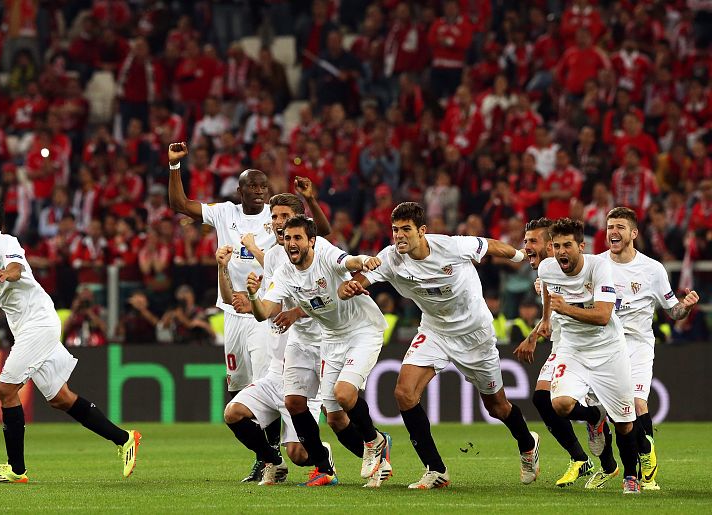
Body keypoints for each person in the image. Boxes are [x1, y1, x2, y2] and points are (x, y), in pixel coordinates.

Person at [0, 195, 140, 483]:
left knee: (5, 389)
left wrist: (6, 274)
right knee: (61, 398)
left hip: (38, 323)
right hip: (27, 326)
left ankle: (16, 469)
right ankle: (124, 438)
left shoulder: (6, 243)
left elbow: (16, 268)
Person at [339, 202, 539, 489]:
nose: (399, 236)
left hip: (475, 334)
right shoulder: (391, 258)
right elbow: (359, 280)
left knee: (497, 406)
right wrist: (350, 287)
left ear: (422, 231)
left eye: (406, 230)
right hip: (434, 331)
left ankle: (527, 442)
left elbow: (493, 246)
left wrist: (521, 255)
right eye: (395, 230)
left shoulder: (452, 246)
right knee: (404, 393)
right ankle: (436, 469)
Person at [167, 141, 331, 482]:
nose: (259, 191)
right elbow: (180, 204)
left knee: (262, 385)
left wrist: (309, 202)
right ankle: (267, 455)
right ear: (239, 190)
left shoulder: (279, 221)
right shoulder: (225, 213)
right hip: (231, 311)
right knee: (236, 388)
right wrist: (174, 167)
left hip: (265, 312)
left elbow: (321, 234)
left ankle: (274, 461)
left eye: (263, 186)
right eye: (252, 186)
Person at [247, 215, 392, 487]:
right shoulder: (284, 273)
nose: (291, 243)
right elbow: (264, 312)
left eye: (298, 237)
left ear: (311, 241)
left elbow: (347, 261)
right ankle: (331, 469)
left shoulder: (324, 252)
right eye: (288, 238)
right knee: (335, 417)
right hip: (332, 338)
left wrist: (363, 261)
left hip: (362, 330)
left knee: (344, 393)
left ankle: (376, 442)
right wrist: (254, 296)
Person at [535, 217, 641, 494]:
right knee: (559, 404)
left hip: (608, 351)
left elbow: (604, 316)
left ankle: (631, 476)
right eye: (556, 246)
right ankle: (594, 416)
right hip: (572, 348)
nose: (561, 252)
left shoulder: (599, 267)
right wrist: (546, 319)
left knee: (625, 421)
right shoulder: (547, 267)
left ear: (581, 246)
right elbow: (548, 289)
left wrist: (564, 308)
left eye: (567, 245)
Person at [602, 206, 700, 490]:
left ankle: (644, 458)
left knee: (636, 403)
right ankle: (641, 448)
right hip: (605, 346)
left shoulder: (652, 269)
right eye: (610, 227)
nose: (613, 232)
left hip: (637, 344)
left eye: (620, 227)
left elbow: (674, 312)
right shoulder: (596, 265)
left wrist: (686, 307)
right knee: (609, 413)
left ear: (633, 233)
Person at [514, 218, 614, 488]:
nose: (527, 248)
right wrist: (536, 332)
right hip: (564, 345)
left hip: (594, 347)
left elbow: (596, 306)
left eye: (533, 241)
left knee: (615, 410)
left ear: (549, 244)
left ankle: (609, 464)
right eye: (525, 242)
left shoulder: (583, 269)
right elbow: (550, 309)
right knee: (543, 398)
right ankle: (581, 457)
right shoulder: (547, 271)